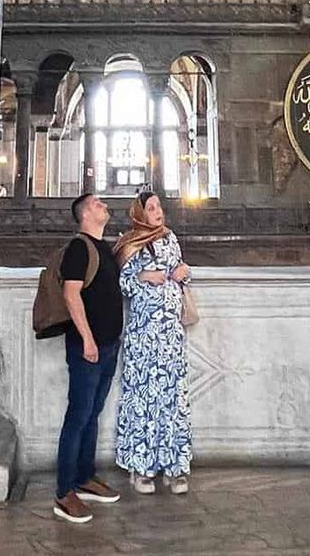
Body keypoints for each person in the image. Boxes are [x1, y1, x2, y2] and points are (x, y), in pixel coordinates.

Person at [114, 191, 192, 495]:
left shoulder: (171, 238)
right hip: (144, 338)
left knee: (172, 402)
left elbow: (181, 271)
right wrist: (144, 275)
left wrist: (184, 273)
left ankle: (175, 469)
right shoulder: (131, 244)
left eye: (159, 206)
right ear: (139, 214)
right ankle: (141, 469)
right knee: (144, 400)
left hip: (171, 337)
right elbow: (121, 282)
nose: (158, 211)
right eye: (151, 207)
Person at [54, 192, 123, 524]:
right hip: (89, 347)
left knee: (92, 413)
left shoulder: (104, 247)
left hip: (108, 345)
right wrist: (87, 339)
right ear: (84, 215)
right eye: (98, 204)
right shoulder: (79, 247)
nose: (104, 206)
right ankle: (64, 492)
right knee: (78, 416)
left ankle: (84, 477)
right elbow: (70, 294)